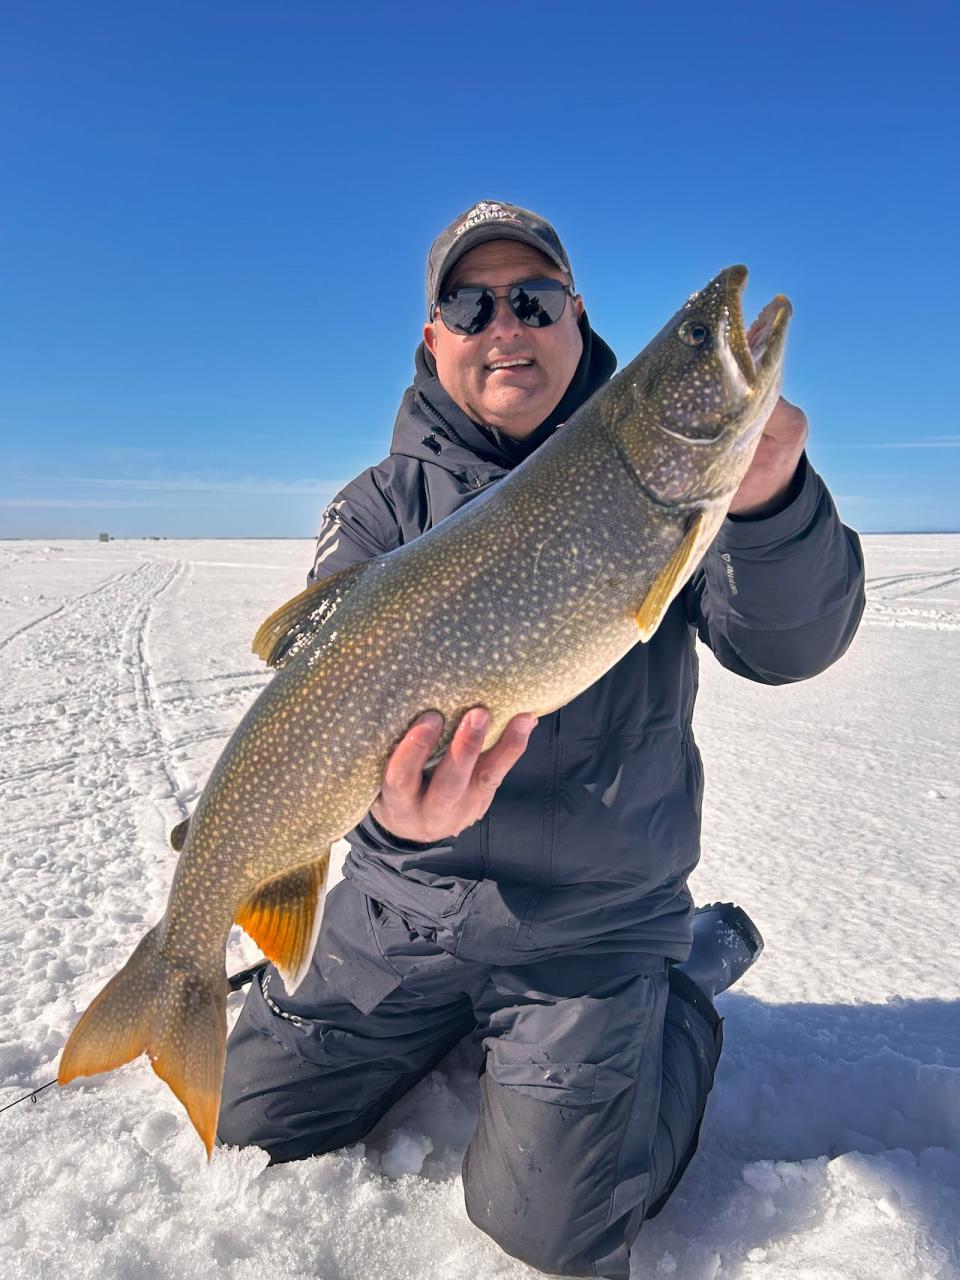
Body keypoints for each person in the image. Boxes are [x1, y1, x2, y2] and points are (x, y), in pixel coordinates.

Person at [218, 201, 865, 1277]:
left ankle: (684, 988)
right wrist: (390, 813)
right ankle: (429, 1015)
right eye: (471, 305)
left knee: (549, 1228)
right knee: (251, 1125)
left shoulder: (658, 482)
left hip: (587, 929)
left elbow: (788, 643)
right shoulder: (378, 508)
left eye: (534, 299)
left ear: (576, 319)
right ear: (434, 338)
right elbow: (315, 697)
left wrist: (774, 504)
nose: (504, 323)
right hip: (396, 912)